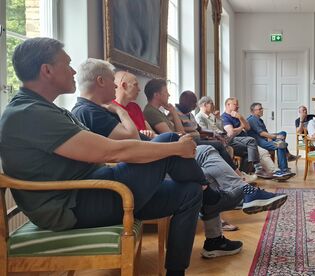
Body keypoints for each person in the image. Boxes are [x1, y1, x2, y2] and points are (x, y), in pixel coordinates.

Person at [0, 37, 209, 276]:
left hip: (93, 189)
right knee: (171, 141)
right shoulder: (29, 114)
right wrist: (175, 149)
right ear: (46, 70)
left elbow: (110, 150)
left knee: (189, 193)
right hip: (74, 204)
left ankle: (176, 270)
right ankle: (212, 194)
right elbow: (111, 150)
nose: (73, 71)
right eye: (67, 65)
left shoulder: (44, 109)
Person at [71, 59, 287, 257]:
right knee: (193, 162)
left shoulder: (113, 108)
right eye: (114, 82)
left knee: (203, 154)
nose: (116, 87)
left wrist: (160, 136)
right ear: (102, 81)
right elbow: (128, 141)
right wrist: (124, 115)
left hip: (145, 157)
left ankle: (227, 210)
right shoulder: (92, 111)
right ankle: (235, 199)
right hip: (137, 166)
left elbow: (143, 135)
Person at [246, 102, 295, 178]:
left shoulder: (260, 120)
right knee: (280, 145)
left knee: (283, 133)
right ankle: (284, 169)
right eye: (260, 109)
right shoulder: (252, 119)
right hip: (259, 141)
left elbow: (265, 133)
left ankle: (286, 156)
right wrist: (274, 137)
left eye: (262, 108)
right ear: (253, 111)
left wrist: (271, 137)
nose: (262, 110)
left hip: (264, 139)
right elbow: (261, 133)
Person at [221, 97, 265, 175]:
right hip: (233, 141)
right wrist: (241, 127)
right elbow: (231, 132)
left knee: (249, 152)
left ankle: (244, 174)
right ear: (228, 105)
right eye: (235, 104)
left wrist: (240, 117)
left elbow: (247, 128)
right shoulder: (224, 117)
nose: (238, 106)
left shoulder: (236, 115)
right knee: (251, 140)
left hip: (243, 140)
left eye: (237, 105)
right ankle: (258, 167)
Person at [111, 71, 156, 139]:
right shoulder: (111, 108)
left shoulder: (135, 107)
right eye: (135, 85)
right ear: (124, 85)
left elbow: (152, 133)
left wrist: (150, 134)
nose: (139, 89)